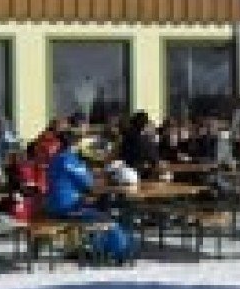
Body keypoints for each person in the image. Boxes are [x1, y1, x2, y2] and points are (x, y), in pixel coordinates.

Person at [45, 131, 136, 262]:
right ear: (75, 145)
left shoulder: (56, 159)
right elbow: (89, 185)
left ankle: (99, 248)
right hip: (68, 208)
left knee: (97, 213)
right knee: (107, 218)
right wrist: (106, 179)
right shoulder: (70, 161)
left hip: (54, 206)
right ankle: (122, 252)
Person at [118, 111, 161, 176]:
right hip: (140, 172)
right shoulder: (144, 139)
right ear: (144, 124)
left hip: (127, 170)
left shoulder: (126, 136)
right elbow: (154, 158)